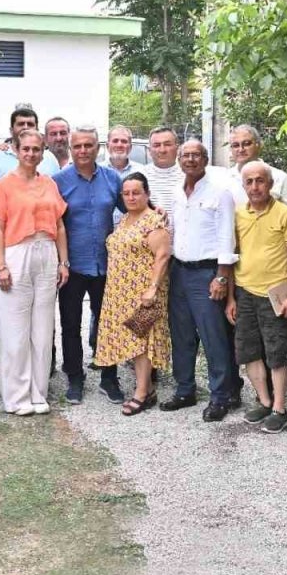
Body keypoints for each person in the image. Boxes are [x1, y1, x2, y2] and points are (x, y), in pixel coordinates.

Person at [0, 128, 70, 416]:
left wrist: (63, 262)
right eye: (26, 149)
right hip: (16, 254)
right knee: (14, 332)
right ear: (16, 149)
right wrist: (0, 265)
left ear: (43, 150)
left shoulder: (48, 183)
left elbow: (59, 225)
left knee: (42, 330)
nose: (31, 154)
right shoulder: (3, 185)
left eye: (37, 149)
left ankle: (38, 393)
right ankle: (16, 396)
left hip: (46, 253)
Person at [162, 140, 241, 421]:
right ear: (179, 160)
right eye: (186, 155)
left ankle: (221, 396)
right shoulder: (176, 192)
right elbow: (172, 228)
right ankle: (185, 390)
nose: (191, 160)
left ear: (205, 159)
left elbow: (226, 237)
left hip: (207, 273)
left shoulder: (221, 193)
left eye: (196, 155)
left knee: (213, 338)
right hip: (178, 271)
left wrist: (222, 276)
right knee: (181, 335)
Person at [229, 161, 287, 434]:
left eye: (260, 181)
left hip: (275, 295)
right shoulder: (238, 214)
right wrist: (231, 298)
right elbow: (231, 254)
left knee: (276, 353)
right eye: (249, 182)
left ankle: (280, 409)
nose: (254, 186)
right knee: (249, 352)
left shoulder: (285, 214)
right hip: (245, 292)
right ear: (243, 185)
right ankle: (264, 400)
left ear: (270, 184)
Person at [55, 125, 125, 405]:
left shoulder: (112, 178)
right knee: (70, 324)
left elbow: (131, 209)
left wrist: (153, 214)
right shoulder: (58, 181)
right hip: (71, 266)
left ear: (99, 147)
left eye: (88, 145)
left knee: (108, 323)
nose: (83, 151)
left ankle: (109, 377)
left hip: (106, 266)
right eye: (78, 146)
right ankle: (75, 377)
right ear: (71, 149)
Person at [94, 173, 171, 415]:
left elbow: (163, 256)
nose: (130, 197)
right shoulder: (125, 219)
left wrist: (152, 289)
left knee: (141, 342)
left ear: (147, 194)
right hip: (120, 292)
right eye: (126, 193)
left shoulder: (153, 221)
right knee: (131, 340)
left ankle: (142, 393)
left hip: (144, 293)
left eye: (136, 192)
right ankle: (146, 389)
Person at [0, 107, 61, 191]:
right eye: (21, 124)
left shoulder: (50, 159)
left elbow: (57, 192)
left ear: (37, 130)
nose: (25, 127)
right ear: (11, 130)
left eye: (30, 124)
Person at [223, 124, 287, 208]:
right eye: (235, 145)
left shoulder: (280, 177)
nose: (241, 149)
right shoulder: (225, 179)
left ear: (258, 145)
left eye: (246, 144)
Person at [142, 127, 185, 220]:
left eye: (167, 144)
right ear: (149, 150)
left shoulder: (189, 176)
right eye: (157, 145)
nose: (162, 150)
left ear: (177, 148)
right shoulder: (140, 177)